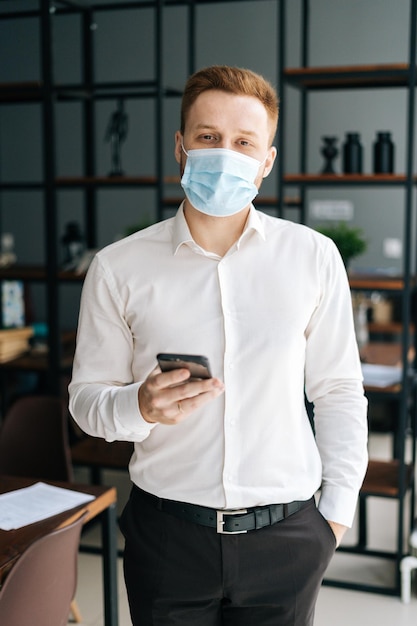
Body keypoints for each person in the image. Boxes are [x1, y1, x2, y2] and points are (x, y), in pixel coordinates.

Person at [69, 65, 368, 626]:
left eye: (243, 142)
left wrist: (335, 517)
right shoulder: (118, 267)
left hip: (289, 536)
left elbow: (339, 391)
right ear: (181, 147)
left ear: (266, 161)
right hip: (167, 538)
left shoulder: (313, 257)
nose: (225, 154)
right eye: (208, 138)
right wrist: (138, 406)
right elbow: (85, 403)